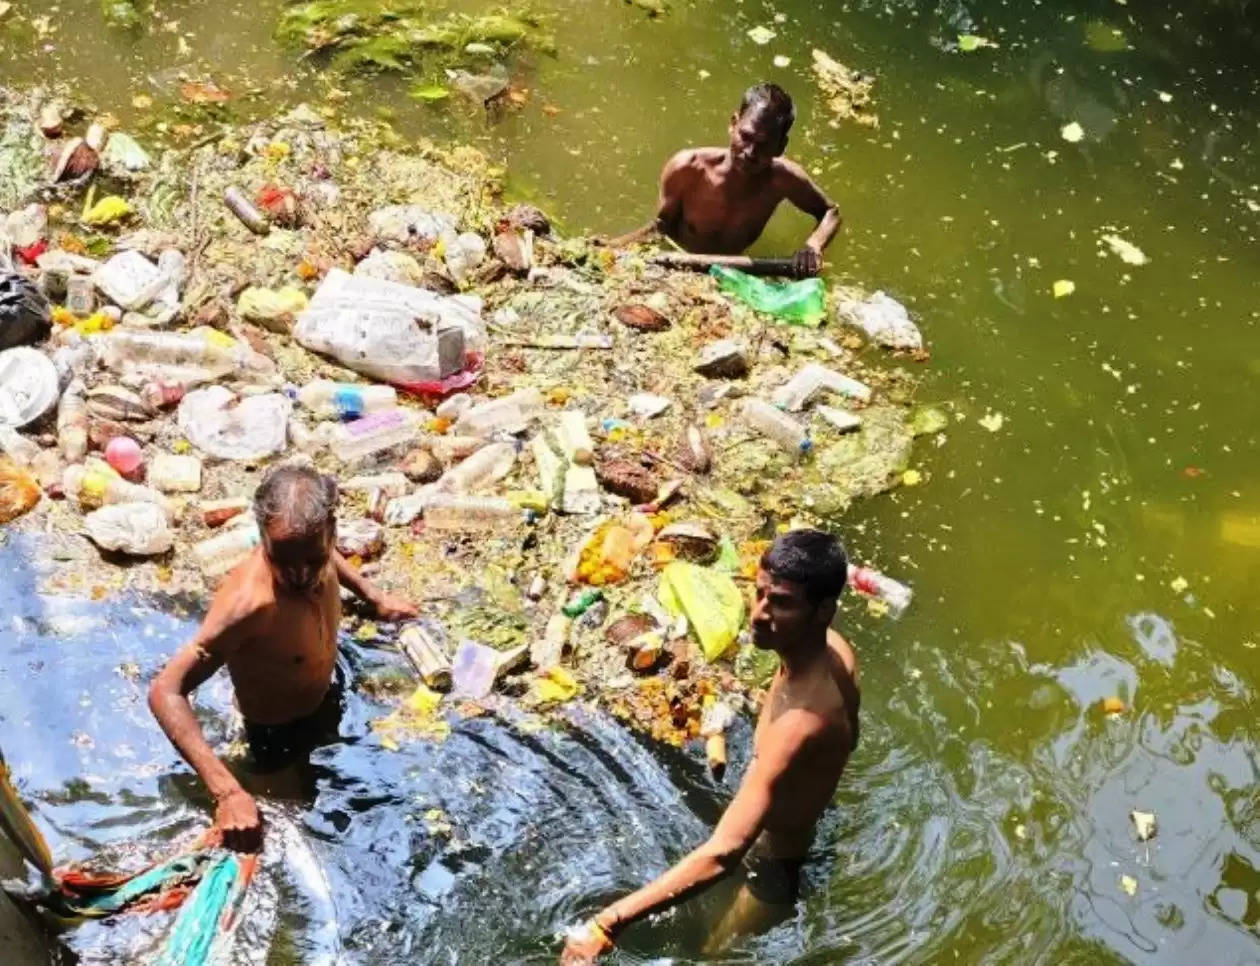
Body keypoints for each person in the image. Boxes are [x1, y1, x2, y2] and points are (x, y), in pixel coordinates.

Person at [560, 529, 860, 963]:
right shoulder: (835, 651)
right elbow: (851, 736)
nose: (758, 614)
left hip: (775, 866)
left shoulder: (800, 725)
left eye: (781, 603)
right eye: (758, 594)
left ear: (823, 611)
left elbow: (722, 854)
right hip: (787, 822)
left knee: (710, 955)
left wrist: (608, 923)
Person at [148, 463, 418, 852]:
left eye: (313, 558)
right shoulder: (250, 606)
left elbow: (328, 560)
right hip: (274, 738)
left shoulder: (311, 549)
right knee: (300, 834)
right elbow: (165, 690)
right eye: (283, 561)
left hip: (326, 693)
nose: (300, 574)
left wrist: (374, 596)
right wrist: (227, 792)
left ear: (331, 531)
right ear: (262, 539)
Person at [610, 83, 842, 277]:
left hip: (732, 272)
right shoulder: (688, 168)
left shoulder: (783, 179)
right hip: (675, 264)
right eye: (746, 137)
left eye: (763, 144)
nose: (750, 152)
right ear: (733, 124)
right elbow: (660, 228)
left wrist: (814, 246)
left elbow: (830, 212)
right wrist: (615, 248)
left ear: (781, 146)